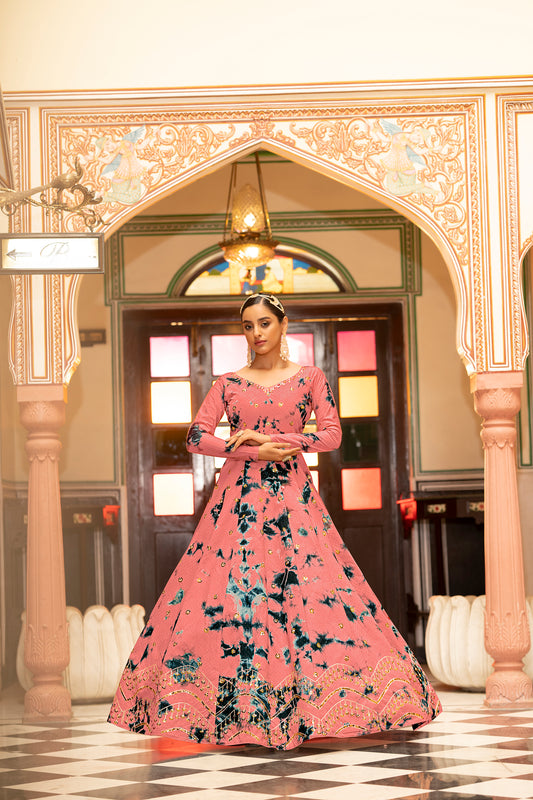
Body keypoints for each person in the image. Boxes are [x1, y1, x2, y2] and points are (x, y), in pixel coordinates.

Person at [108, 292, 441, 749]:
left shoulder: (309, 378)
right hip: (238, 500)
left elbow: (331, 434)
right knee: (234, 593)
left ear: (283, 326)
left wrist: (273, 440)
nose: (257, 332)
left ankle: (313, 709)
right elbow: (195, 436)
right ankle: (240, 710)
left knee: (312, 591)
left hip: (293, 498)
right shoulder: (227, 382)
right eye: (248, 325)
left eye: (265, 323)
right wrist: (246, 450)